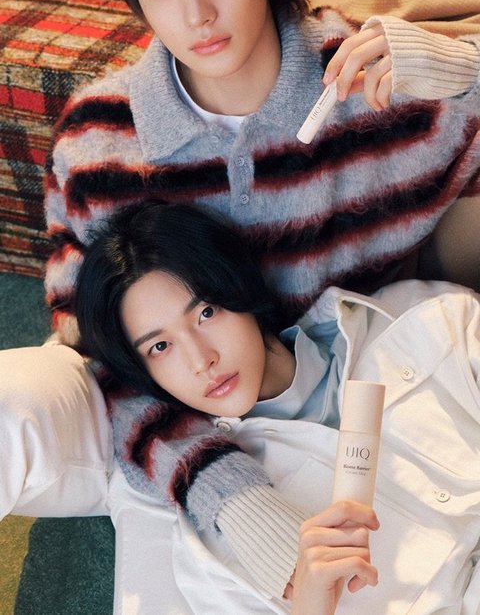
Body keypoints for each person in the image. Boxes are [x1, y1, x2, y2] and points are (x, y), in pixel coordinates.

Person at [0, 0, 479, 610]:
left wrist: (460, 68)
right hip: (164, 416)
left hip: (327, 384)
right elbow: (105, 357)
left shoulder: (364, 83)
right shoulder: (99, 140)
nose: (195, 15)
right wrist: (235, 501)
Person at [74, 198, 480, 615]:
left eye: (207, 312)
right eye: (160, 347)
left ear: (239, 286)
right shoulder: (222, 535)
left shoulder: (422, 322)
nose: (201, 360)